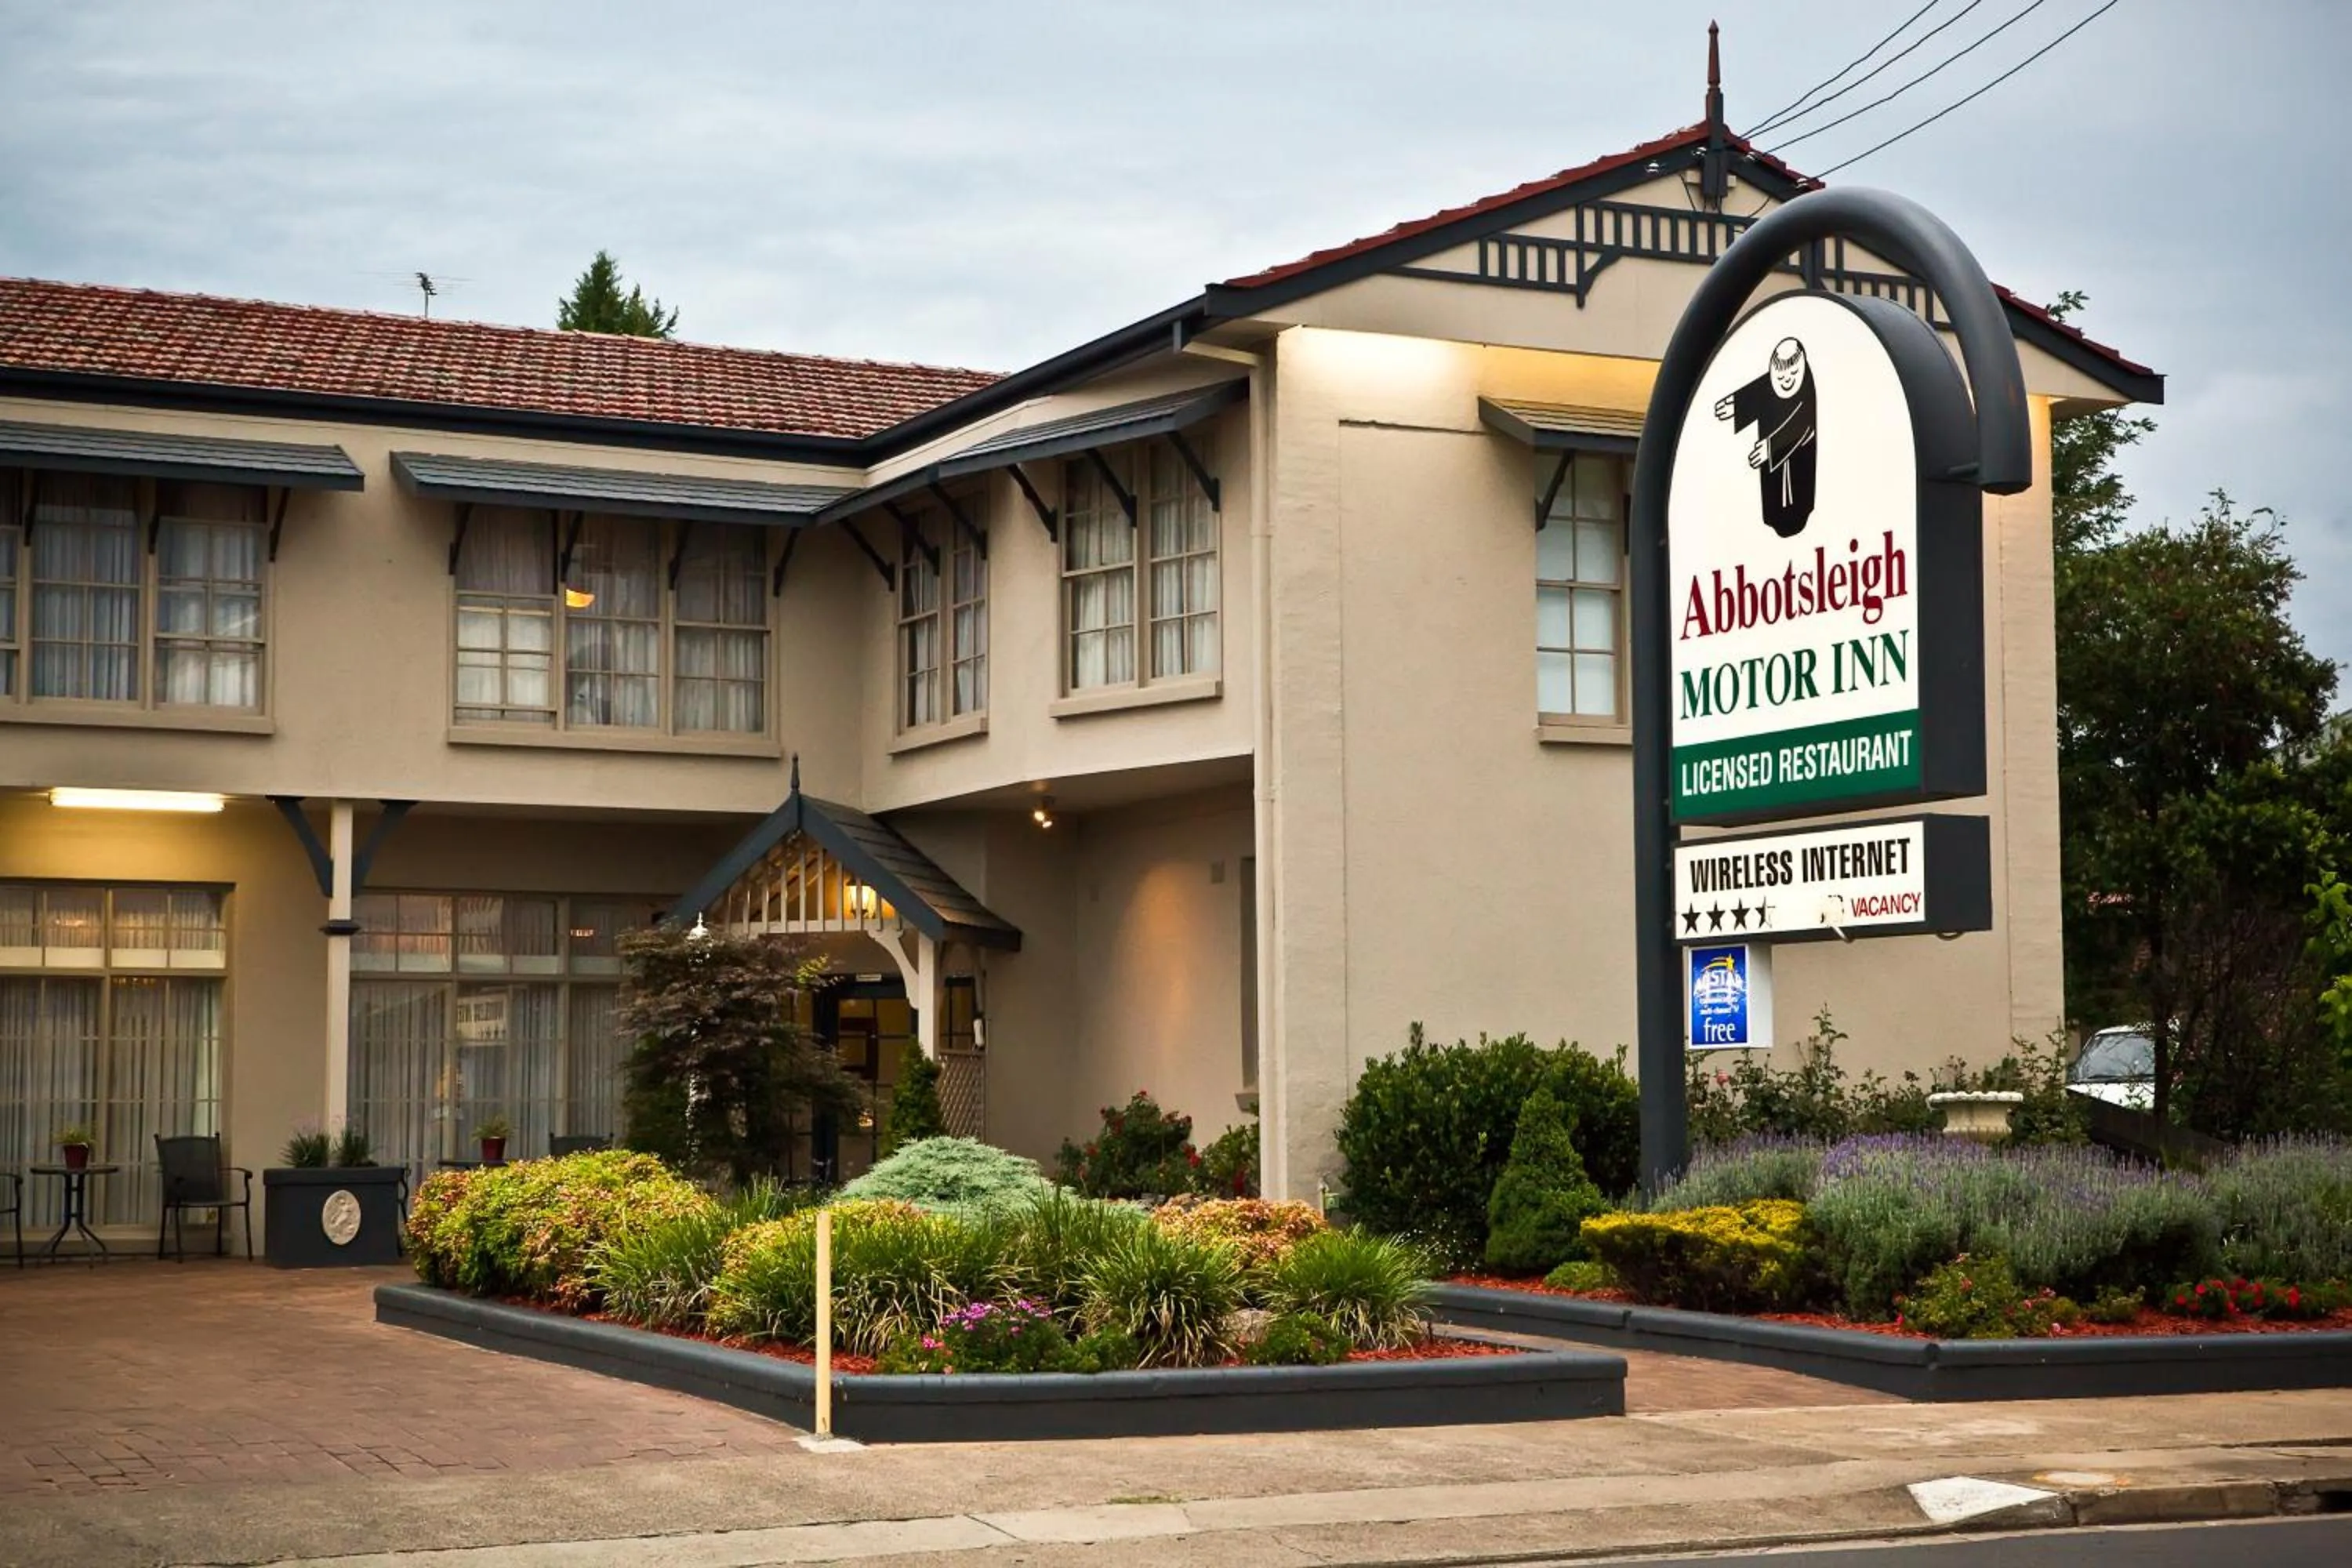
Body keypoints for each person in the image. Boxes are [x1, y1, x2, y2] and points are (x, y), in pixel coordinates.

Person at [1715, 336, 1819, 538]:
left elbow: (1802, 422)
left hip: (1799, 458)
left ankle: (1796, 519)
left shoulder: (1808, 387)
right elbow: (1760, 388)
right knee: (1773, 496)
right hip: (1771, 467)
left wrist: (1772, 447)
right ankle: (1774, 518)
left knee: (1798, 494)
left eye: (1793, 374)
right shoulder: (1770, 382)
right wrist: (1738, 404)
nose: (1786, 380)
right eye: (1779, 377)